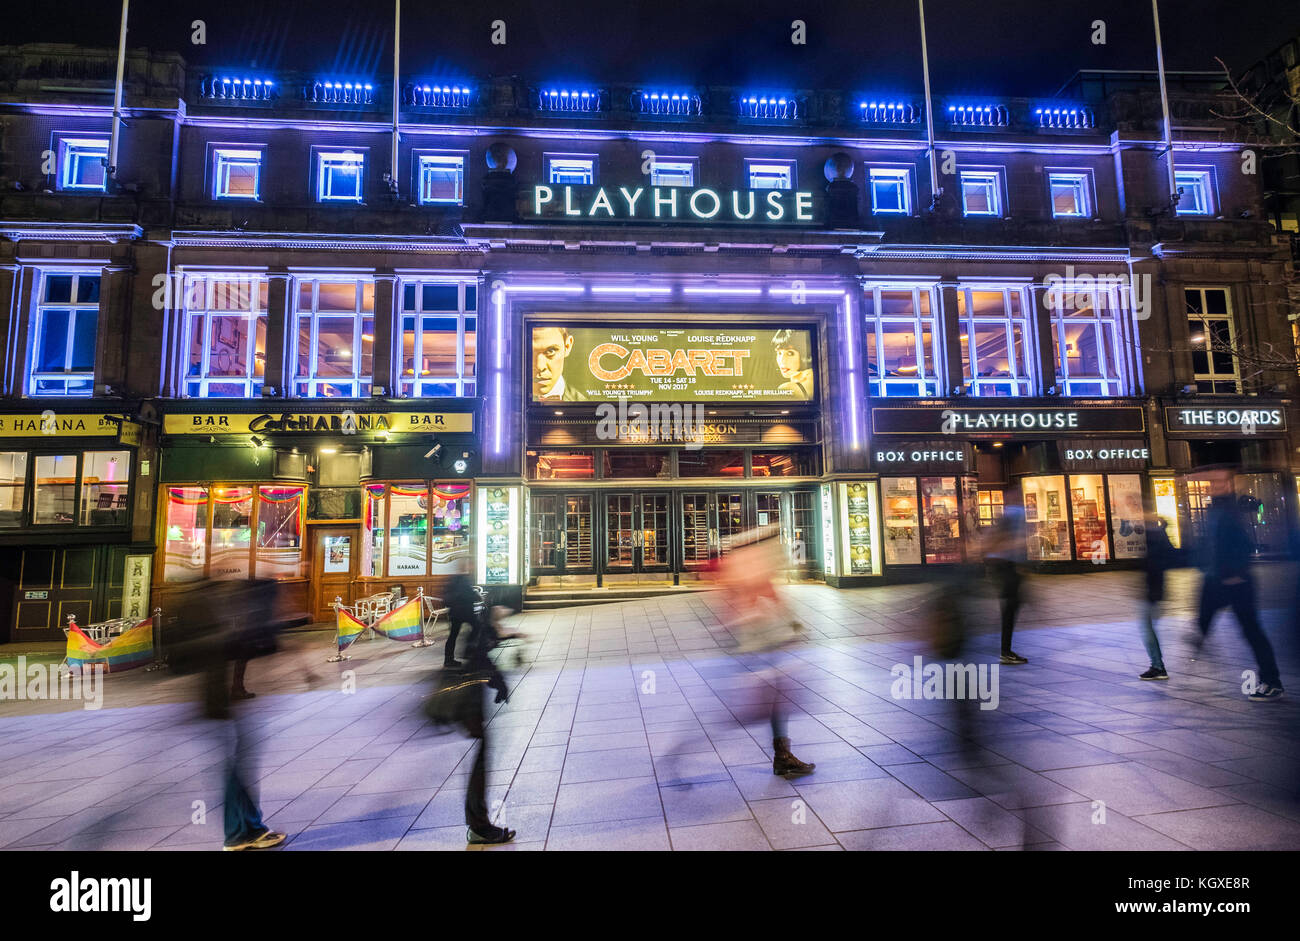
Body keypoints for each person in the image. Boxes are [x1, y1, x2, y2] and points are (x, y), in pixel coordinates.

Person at [719, 531, 815, 777]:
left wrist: (791, 624)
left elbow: (771, 600)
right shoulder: (753, 574)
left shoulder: (750, 572)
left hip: (760, 648)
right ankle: (782, 755)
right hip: (759, 649)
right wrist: (790, 626)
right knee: (757, 706)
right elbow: (758, 605)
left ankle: (782, 755)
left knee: (774, 702)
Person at [1196, 471, 1284, 701]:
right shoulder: (1216, 510)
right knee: (1206, 616)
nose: (1212, 487)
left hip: (1237, 582)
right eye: (1211, 484)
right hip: (1219, 579)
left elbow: (1242, 544)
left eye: (1218, 483)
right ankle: (1200, 637)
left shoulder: (1231, 510)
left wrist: (1236, 572)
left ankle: (1272, 681)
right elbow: (1213, 543)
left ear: (1228, 485)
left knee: (1251, 631)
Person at [985, 497, 1028, 665]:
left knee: (1010, 607)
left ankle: (1004, 649)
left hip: (1000, 566)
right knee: (1010, 607)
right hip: (1006, 567)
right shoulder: (1015, 514)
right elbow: (1012, 544)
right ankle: (1005, 651)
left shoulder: (1008, 514)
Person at [1138, 513, 1174, 680]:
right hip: (1153, 589)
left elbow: (1154, 564)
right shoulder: (1158, 536)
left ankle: (1158, 666)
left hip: (1153, 590)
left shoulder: (1154, 538)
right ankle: (1157, 665)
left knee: (1147, 627)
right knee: (1148, 627)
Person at [531, 326, 588, 401]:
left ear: (567, 346)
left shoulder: (583, 402)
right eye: (528, 351)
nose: (539, 366)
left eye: (551, 351)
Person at [771, 329, 814, 400]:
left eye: (790, 353)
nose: (782, 361)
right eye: (779, 353)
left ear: (804, 355)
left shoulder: (786, 389)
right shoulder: (817, 380)